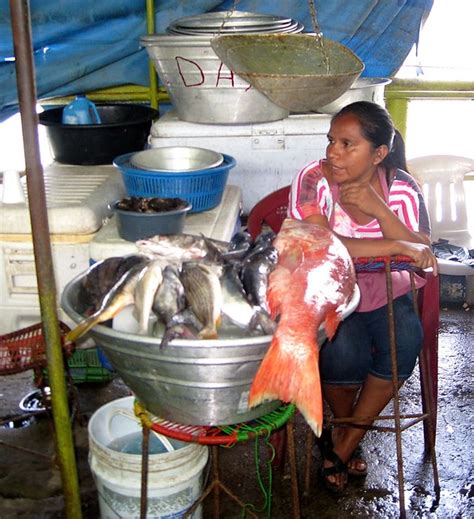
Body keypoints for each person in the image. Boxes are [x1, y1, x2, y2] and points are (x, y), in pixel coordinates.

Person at [288, 101, 438, 493]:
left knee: (404, 338)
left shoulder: (401, 186)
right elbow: (323, 246)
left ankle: (343, 442)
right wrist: (394, 245)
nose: (332, 152)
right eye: (331, 141)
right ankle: (345, 432)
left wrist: (378, 208)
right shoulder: (312, 180)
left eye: (347, 144)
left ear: (379, 154)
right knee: (342, 348)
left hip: (389, 292)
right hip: (330, 291)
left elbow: (423, 249)